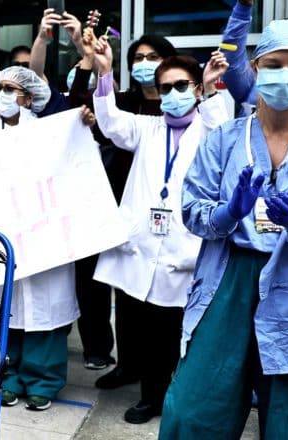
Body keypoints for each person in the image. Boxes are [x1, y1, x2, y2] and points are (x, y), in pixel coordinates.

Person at [160, 19, 288, 438]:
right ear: (255, 68)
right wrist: (227, 213)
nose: (285, 73)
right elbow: (192, 209)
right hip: (229, 280)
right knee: (193, 409)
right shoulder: (224, 139)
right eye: (274, 63)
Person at [91, 27, 229, 423]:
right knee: (143, 327)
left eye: (181, 85)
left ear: (197, 89)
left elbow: (224, 128)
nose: (172, 94)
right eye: (165, 88)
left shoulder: (210, 128)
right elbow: (111, 121)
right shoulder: (148, 128)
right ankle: (150, 395)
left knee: (176, 333)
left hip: (185, 249)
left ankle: (173, 396)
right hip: (143, 245)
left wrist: (211, 89)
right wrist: (104, 73)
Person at [0, 65, 79, 411]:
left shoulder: (53, 133)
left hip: (44, 235)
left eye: (10, 89)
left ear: (29, 97)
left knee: (45, 312)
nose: (2, 95)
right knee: (6, 308)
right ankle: (9, 376)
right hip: (4, 236)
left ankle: (44, 380)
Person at [71, 30, 178, 383]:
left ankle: (160, 372)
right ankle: (126, 364)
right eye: (139, 59)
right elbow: (91, 109)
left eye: (153, 57)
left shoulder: (182, 107)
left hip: (167, 212)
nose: (145, 65)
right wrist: (96, 67)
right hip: (119, 202)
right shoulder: (123, 104)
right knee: (124, 290)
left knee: (161, 295)